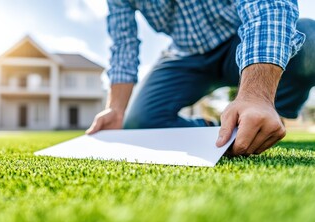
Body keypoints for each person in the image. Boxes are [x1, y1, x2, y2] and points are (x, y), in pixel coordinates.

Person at [86, 0, 315, 156]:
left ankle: (275, 113)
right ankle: (220, 130)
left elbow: (268, 6)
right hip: (185, 55)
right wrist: (116, 109)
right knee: (139, 124)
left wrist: (257, 95)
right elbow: (124, 44)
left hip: (242, 38)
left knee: (310, 41)